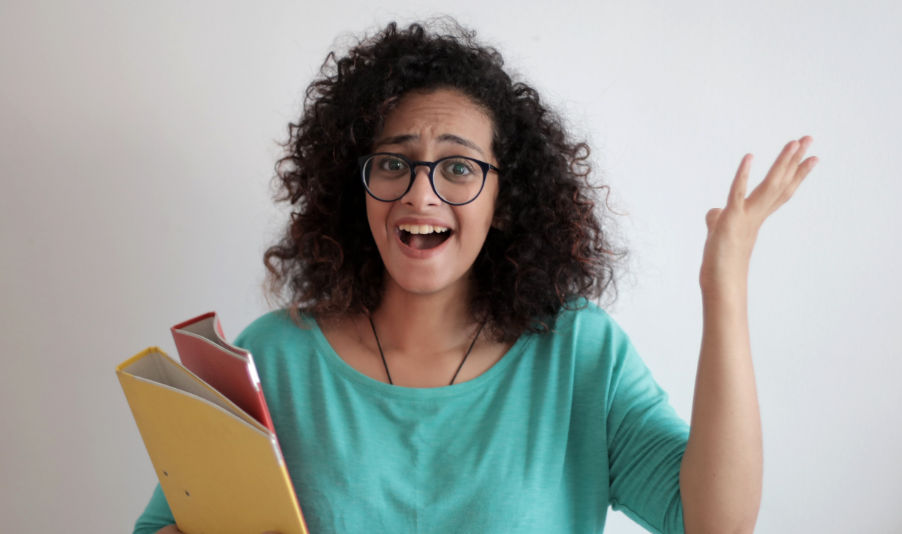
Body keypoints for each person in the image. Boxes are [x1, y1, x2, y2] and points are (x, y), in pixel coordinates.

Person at [134, 20, 817, 534]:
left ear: (505, 198)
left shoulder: (578, 354)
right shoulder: (275, 358)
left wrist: (724, 287)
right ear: (356, 187)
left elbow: (716, 522)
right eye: (394, 163)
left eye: (458, 168)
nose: (420, 195)